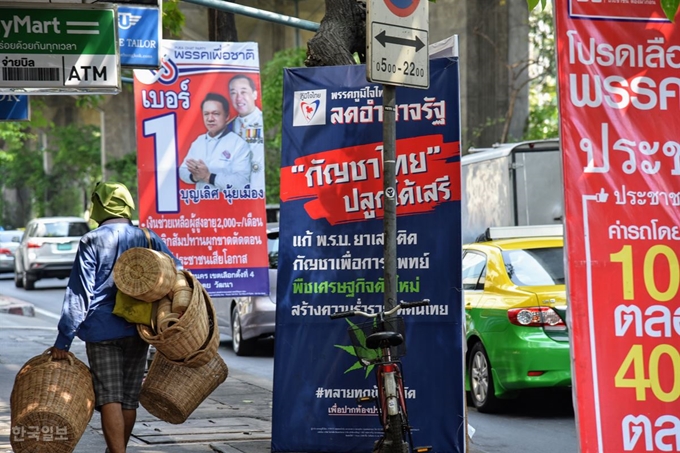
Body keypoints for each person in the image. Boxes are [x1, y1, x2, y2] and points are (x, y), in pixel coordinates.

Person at [50, 182, 182, 453]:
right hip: (140, 328)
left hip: (101, 331)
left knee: (109, 396)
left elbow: (80, 292)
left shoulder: (92, 240)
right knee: (128, 399)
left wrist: (63, 339)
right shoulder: (148, 236)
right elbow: (176, 274)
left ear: (99, 205)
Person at [179, 92, 252, 191]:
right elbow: (183, 171)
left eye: (215, 114)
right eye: (206, 114)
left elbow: (241, 181)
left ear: (226, 117)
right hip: (201, 202)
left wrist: (208, 176)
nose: (210, 119)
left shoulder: (239, 144)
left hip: (228, 203)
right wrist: (195, 176)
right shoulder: (198, 141)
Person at [228, 74, 264, 188]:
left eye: (243, 92)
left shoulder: (265, 122)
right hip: (236, 194)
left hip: (262, 194)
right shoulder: (228, 127)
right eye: (233, 93)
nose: (238, 98)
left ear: (254, 94)